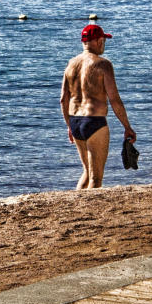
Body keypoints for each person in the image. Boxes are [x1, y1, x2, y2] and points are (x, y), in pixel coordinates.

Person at [60, 24, 135, 190]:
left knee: (87, 172)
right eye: (103, 41)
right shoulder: (103, 64)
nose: (104, 44)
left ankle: (76, 202)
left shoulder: (71, 64)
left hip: (75, 121)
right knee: (96, 177)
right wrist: (127, 127)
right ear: (99, 41)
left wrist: (69, 126)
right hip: (94, 122)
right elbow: (114, 99)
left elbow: (63, 99)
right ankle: (87, 206)